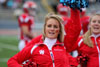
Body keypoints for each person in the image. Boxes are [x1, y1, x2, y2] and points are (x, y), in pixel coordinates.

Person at [7, 7, 81, 67]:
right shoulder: (35, 46)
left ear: (59, 30)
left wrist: (75, 10)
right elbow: (12, 61)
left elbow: (76, 29)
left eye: (55, 26)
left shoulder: (63, 46)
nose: (52, 29)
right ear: (44, 28)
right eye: (49, 26)